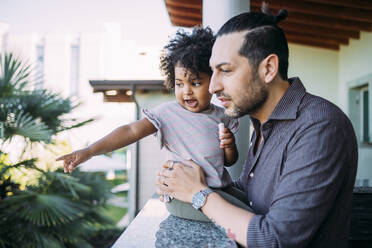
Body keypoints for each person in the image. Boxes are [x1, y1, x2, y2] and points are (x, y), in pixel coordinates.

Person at [156, 5, 358, 248]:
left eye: (226, 70)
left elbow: (275, 239)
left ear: (268, 69)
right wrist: (183, 181)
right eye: (213, 72)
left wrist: (197, 194)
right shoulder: (263, 123)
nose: (212, 87)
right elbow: (251, 195)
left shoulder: (320, 127)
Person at [56, 27, 251, 222]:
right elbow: (131, 130)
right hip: (183, 198)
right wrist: (89, 151)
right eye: (179, 84)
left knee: (250, 202)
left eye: (196, 83)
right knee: (247, 216)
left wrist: (229, 146)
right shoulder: (168, 114)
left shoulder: (221, 116)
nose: (186, 91)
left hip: (216, 190)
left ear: (213, 80)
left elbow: (228, 161)